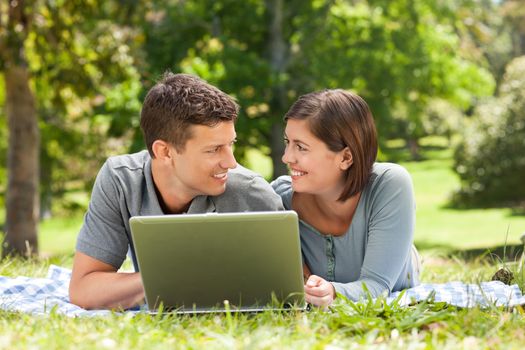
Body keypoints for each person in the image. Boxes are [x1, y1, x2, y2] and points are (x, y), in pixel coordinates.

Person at [69, 73, 284, 310]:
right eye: (214, 150)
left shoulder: (251, 193)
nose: (231, 163)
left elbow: (290, 290)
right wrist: (176, 277)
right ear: (164, 151)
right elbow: (84, 290)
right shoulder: (121, 180)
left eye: (231, 144)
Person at [272, 89, 421, 307]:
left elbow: (376, 286)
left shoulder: (390, 185)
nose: (287, 157)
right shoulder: (278, 201)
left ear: (346, 157)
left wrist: (333, 292)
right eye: (287, 142)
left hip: (398, 276)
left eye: (301, 147)